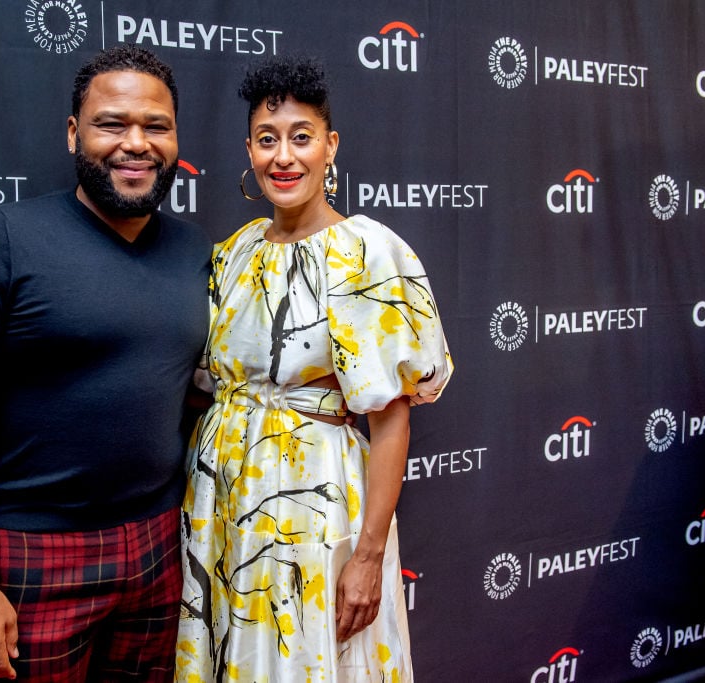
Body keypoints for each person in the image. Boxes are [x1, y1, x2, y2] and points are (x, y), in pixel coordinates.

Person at [0, 45, 211, 682]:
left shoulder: (198, 254)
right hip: (35, 557)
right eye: (111, 124)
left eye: (156, 126)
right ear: (75, 133)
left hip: (162, 547)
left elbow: (205, 391)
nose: (137, 143)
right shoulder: (3, 241)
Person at [174, 56, 453, 682]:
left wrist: (369, 556)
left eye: (301, 138)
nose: (284, 157)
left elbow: (390, 419)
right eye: (268, 140)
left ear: (330, 146)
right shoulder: (233, 253)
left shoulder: (369, 252)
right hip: (221, 498)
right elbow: (206, 385)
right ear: (248, 149)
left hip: (316, 504)